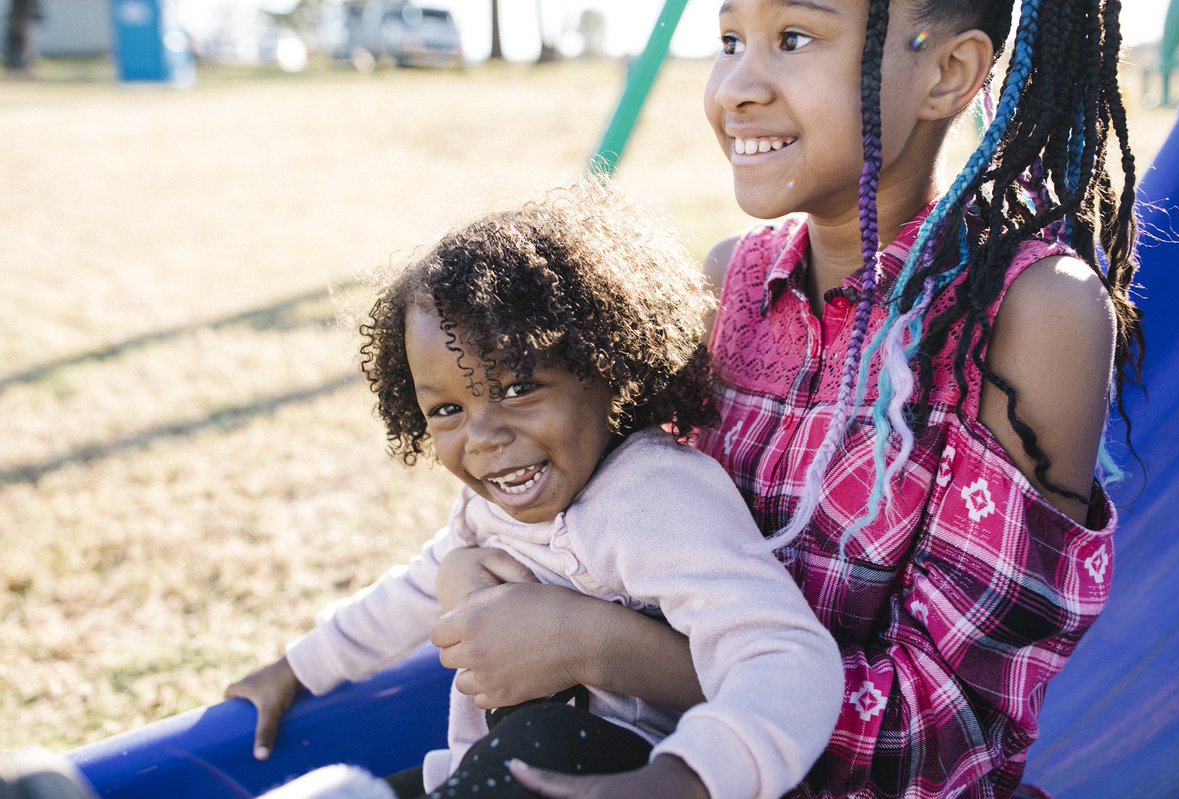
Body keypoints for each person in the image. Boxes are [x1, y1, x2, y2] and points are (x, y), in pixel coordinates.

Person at [433, 1, 1144, 797]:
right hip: (675, 756)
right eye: (730, 40)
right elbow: (618, 529)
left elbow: (941, 733)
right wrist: (473, 570)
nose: (736, 86)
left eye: (794, 39)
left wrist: (595, 644)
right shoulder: (731, 282)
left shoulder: (1031, 313)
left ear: (948, 74)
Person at [225, 180, 845, 799]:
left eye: (519, 389)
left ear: (608, 365)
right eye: (446, 410)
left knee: (542, 738)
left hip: (628, 772)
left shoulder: (655, 499)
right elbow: (414, 589)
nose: (485, 435)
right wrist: (296, 668)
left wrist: (685, 777)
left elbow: (782, 653)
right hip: (496, 770)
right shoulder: (489, 508)